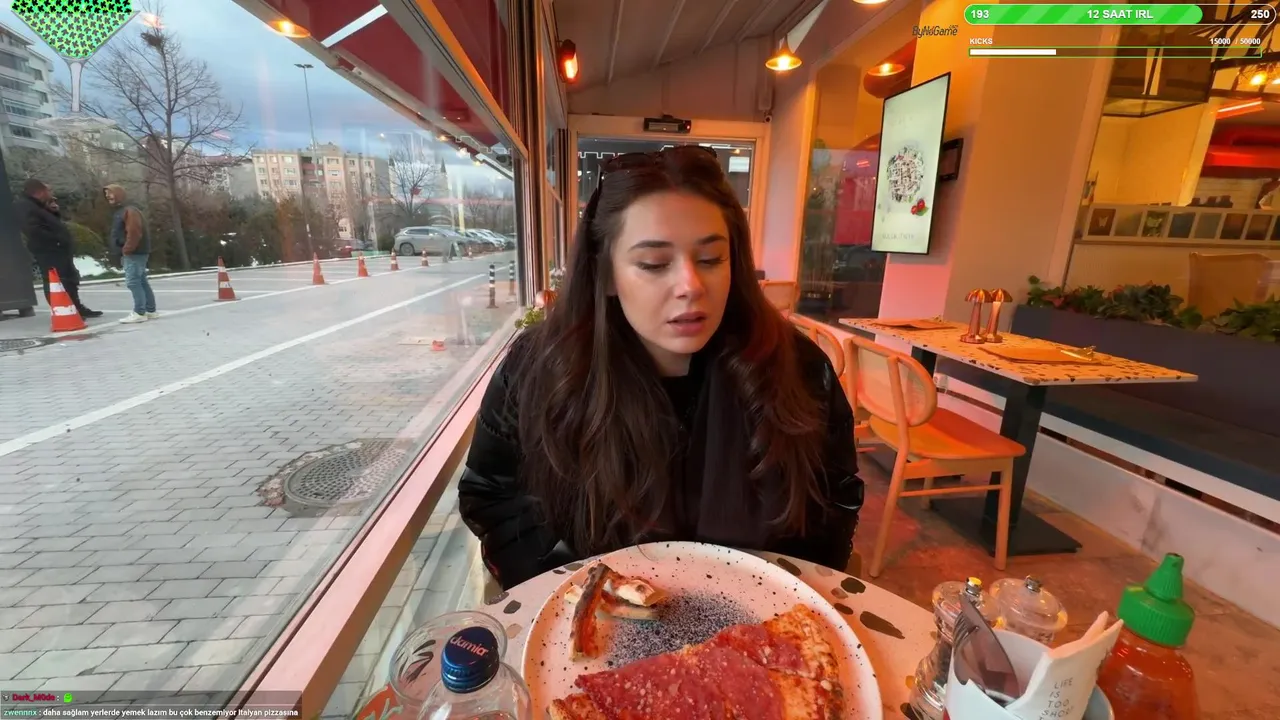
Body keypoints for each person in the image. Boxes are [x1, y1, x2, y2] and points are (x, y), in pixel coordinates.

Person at [459, 145, 864, 589]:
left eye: (711, 259)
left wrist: (782, 595)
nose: (691, 285)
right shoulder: (539, 370)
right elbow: (493, 496)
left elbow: (832, 504)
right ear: (605, 273)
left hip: (755, 610)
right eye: (654, 264)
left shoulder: (797, 369)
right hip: (591, 613)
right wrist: (570, 590)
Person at [15, 179, 103, 318]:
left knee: (69, 279)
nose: (51, 194)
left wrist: (54, 212)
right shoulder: (25, 206)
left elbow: (50, 223)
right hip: (48, 251)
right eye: (48, 191)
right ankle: (63, 310)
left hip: (59, 250)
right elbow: (33, 230)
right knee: (56, 281)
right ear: (40, 192)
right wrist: (56, 240)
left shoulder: (39, 206)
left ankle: (76, 307)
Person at [105, 184, 157, 323]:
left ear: (119, 194)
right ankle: (150, 310)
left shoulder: (129, 211)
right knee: (141, 281)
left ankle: (139, 312)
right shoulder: (124, 210)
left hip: (134, 252)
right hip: (136, 251)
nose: (108, 196)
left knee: (133, 282)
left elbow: (134, 232)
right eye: (106, 194)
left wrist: (127, 249)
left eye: (111, 193)